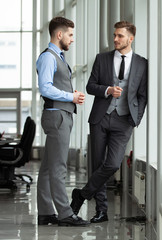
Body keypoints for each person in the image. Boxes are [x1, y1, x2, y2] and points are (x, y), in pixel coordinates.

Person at [70, 21, 148, 223]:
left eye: (120, 36)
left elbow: (142, 95)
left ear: (131, 38)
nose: (115, 39)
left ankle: (82, 194)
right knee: (97, 165)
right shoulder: (102, 59)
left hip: (124, 121)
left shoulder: (142, 63)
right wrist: (108, 90)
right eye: (114, 35)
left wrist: (135, 119)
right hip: (100, 118)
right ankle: (101, 211)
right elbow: (90, 86)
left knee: (112, 164)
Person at [36, 16, 90, 227]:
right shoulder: (49, 57)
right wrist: (71, 97)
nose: (72, 39)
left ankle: (46, 212)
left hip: (58, 114)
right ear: (59, 35)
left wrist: (70, 93)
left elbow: (53, 86)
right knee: (58, 167)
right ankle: (65, 213)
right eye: (70, 34)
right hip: (57, 116)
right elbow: (46, 88)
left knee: (48, 168)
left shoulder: (56, 56)